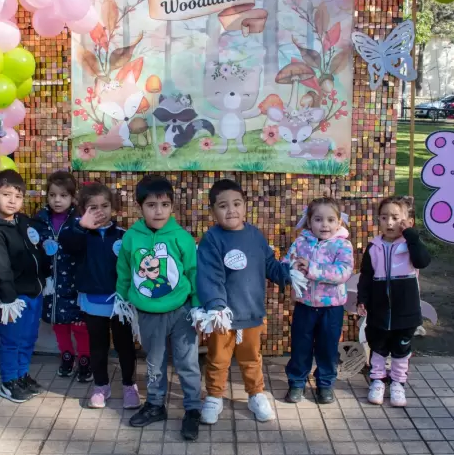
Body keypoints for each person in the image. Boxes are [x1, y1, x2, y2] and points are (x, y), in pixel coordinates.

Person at [196, 179, 292, 425]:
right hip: (223, 317)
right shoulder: (212, 239)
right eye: (223, 205)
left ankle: (255, 394)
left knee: (252, 358)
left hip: (251, 314)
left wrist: (288, 273)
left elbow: (269, 263)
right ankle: (215, 396)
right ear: (213, 211)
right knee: (217, 359)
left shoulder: (255, 235)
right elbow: (209, 275)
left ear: (246, 206)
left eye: (237, 203)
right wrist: (216, 305)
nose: (231, 210)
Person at [113, 175, 202, 440]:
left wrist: (198, 306)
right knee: (154, 363)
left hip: (182, 311)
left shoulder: (181, 237)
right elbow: (124, 271)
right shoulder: (131, 237)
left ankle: (193, 408)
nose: (159, 210)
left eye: (164, 204)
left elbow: (193, 272)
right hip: (148, 313)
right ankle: (154, 404)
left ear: (172, 206)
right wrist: (121, 299)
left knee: (187, 363)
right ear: (140, 207)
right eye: (151, 205)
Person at [59, 181, 139, 410]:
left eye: (104, 205)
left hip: (120, 302)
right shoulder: (79, 235)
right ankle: (101, 386)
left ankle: (128, 385)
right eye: (92, 207)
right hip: (93, 301)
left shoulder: (124, 235)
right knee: (98, 345)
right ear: (83, 210)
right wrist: (81, 227)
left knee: (125, 345)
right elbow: (67, 242)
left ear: (112, 207)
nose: (100, 211)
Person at [357, 196, 431, 407]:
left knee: (401, 350)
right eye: (384, 217)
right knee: (378, 347)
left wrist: (411, 236)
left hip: (405, 312)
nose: (389, 223)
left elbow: (422, 261)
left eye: (396, 218)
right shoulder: (373, 248)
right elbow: (366, 277)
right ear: (378, 220)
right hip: (379, 312)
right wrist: (363, 299)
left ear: (407, 221)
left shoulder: (411, 245)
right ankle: (377, 381)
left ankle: (398, 383)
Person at [282, 197, 354, 405]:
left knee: (328, 347)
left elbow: (342, 272)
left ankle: (325, 383)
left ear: (339, 222)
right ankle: (296, 382)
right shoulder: (301, 242)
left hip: (331, 308)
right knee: (300, 346)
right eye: (318, 219)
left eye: (331, 220)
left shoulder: (343, 245)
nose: (324, 225)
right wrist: (289, 268)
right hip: (304, 306)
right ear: (309, 222)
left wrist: (312, 268)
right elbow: (288, 262)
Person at [0, 169, 46, 403]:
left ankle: (22, 375)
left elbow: (35, 251)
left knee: (28, 337)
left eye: (17, 196)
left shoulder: (22, 221)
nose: (12, 201)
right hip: (13, 299)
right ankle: (9, 381)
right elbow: (1, 267)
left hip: (34, 292)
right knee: (11, 340)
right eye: (6, 194)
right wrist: (8, 300)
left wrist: (45, 276)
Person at [32, 172, 92, 382]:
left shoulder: (79, 220)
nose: (57, 200)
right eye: (52, 195)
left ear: (73, 197)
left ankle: (85, 359)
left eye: (63, 195)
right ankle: (67, 356)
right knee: (59, 323)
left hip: (75, 282)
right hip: (52, 283)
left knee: (80, 324)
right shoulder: (39, 220)